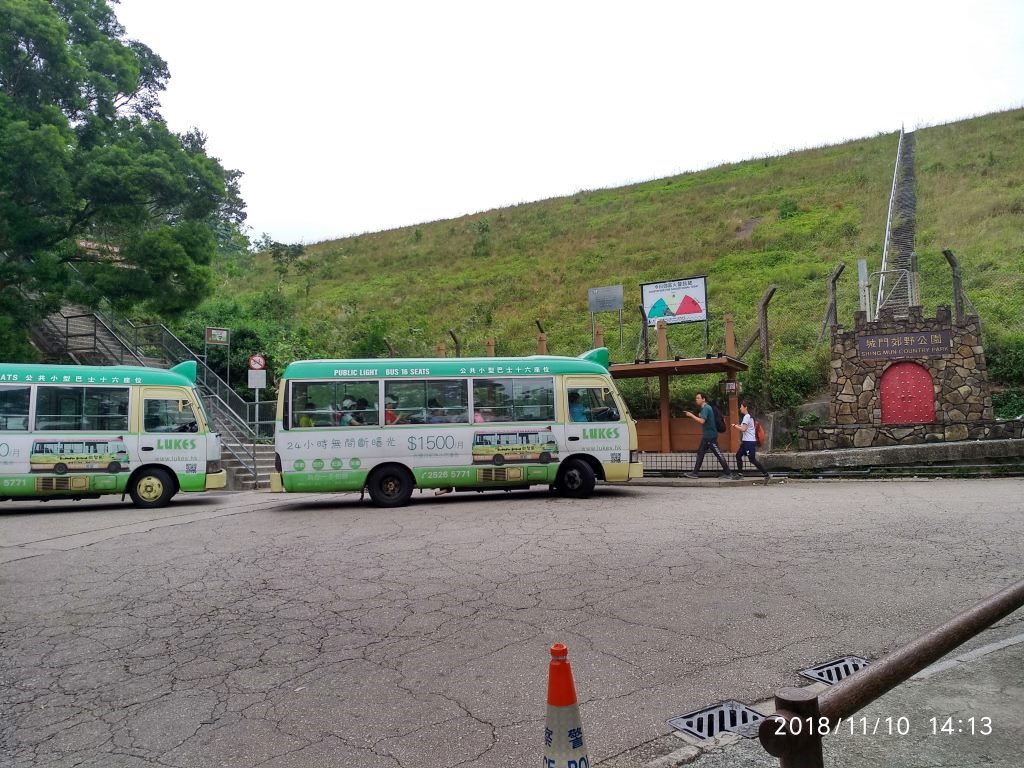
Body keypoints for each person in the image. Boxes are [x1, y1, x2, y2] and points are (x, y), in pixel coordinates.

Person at [682, 392, 734, 479]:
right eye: (696, 398)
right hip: (707, 436)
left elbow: (702, 421)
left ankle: (728, 473)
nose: (696, 399)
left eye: (698, 398)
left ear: (703, 399)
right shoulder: (705, 408)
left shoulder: (706, 408)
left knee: (718, 453)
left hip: (710, 436)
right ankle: (695, 473)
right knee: (700, 453)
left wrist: (691, 415)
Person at [733, 401, 770, 484]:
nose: (740, 408)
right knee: (738, 455)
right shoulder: (749, 417)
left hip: (749, 442)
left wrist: (735, 426)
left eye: (741, 406)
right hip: (746, 442)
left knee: (752, 460)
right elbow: (744, 427)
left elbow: (743, 429)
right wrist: (737, 425)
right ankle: (740, 474)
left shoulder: (746, 417)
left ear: (745, 407)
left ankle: (766, 474)